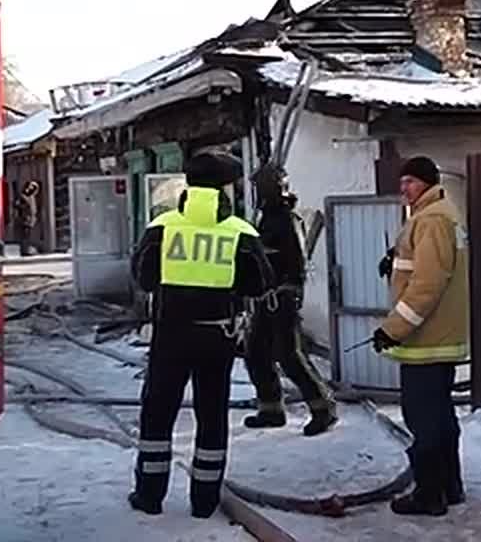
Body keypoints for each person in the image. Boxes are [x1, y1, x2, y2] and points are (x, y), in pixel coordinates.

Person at [127, 151, 275, 519]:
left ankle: (149, 496)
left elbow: (143, 277)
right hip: (217, 338)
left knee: (158, 415)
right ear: (227, 187)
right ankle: (205, 502)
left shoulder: (162, 226)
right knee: (211, 417)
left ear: (187, 183)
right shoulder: (240, 232)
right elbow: (260, 283)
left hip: (170, 336)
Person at [372, 156, 470, 516]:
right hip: (438, 338)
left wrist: (392, 329)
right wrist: (394, 255)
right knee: (441, 416)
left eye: (410, 181)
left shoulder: (431, 220)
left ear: (428, 183)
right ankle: (449, 487)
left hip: (425, 340)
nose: (404, 188)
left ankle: (429, 495)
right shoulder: (439, 214)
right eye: (402, 182)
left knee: (423, 420)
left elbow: (426, 286)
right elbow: (427, 263)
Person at [242, 164, 337, 436]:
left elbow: (297, 262)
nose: (257, 192)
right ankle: (270, 409)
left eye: (260, 187)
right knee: (256, 353)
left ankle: (323, 409)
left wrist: (287, 291)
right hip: (264, 297)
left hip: (281, 296)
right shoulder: (265, 218)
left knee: (288, 355)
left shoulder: (286, 219)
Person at [13, 180, 39, 256]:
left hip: (29, 220)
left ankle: (26, 250)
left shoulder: (30, 197)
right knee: (24, 236)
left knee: (27, 236)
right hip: (25, 219)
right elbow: (18, 205)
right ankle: (24, 250)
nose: (30, 189)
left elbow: (30, 208)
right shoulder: (25, 197)